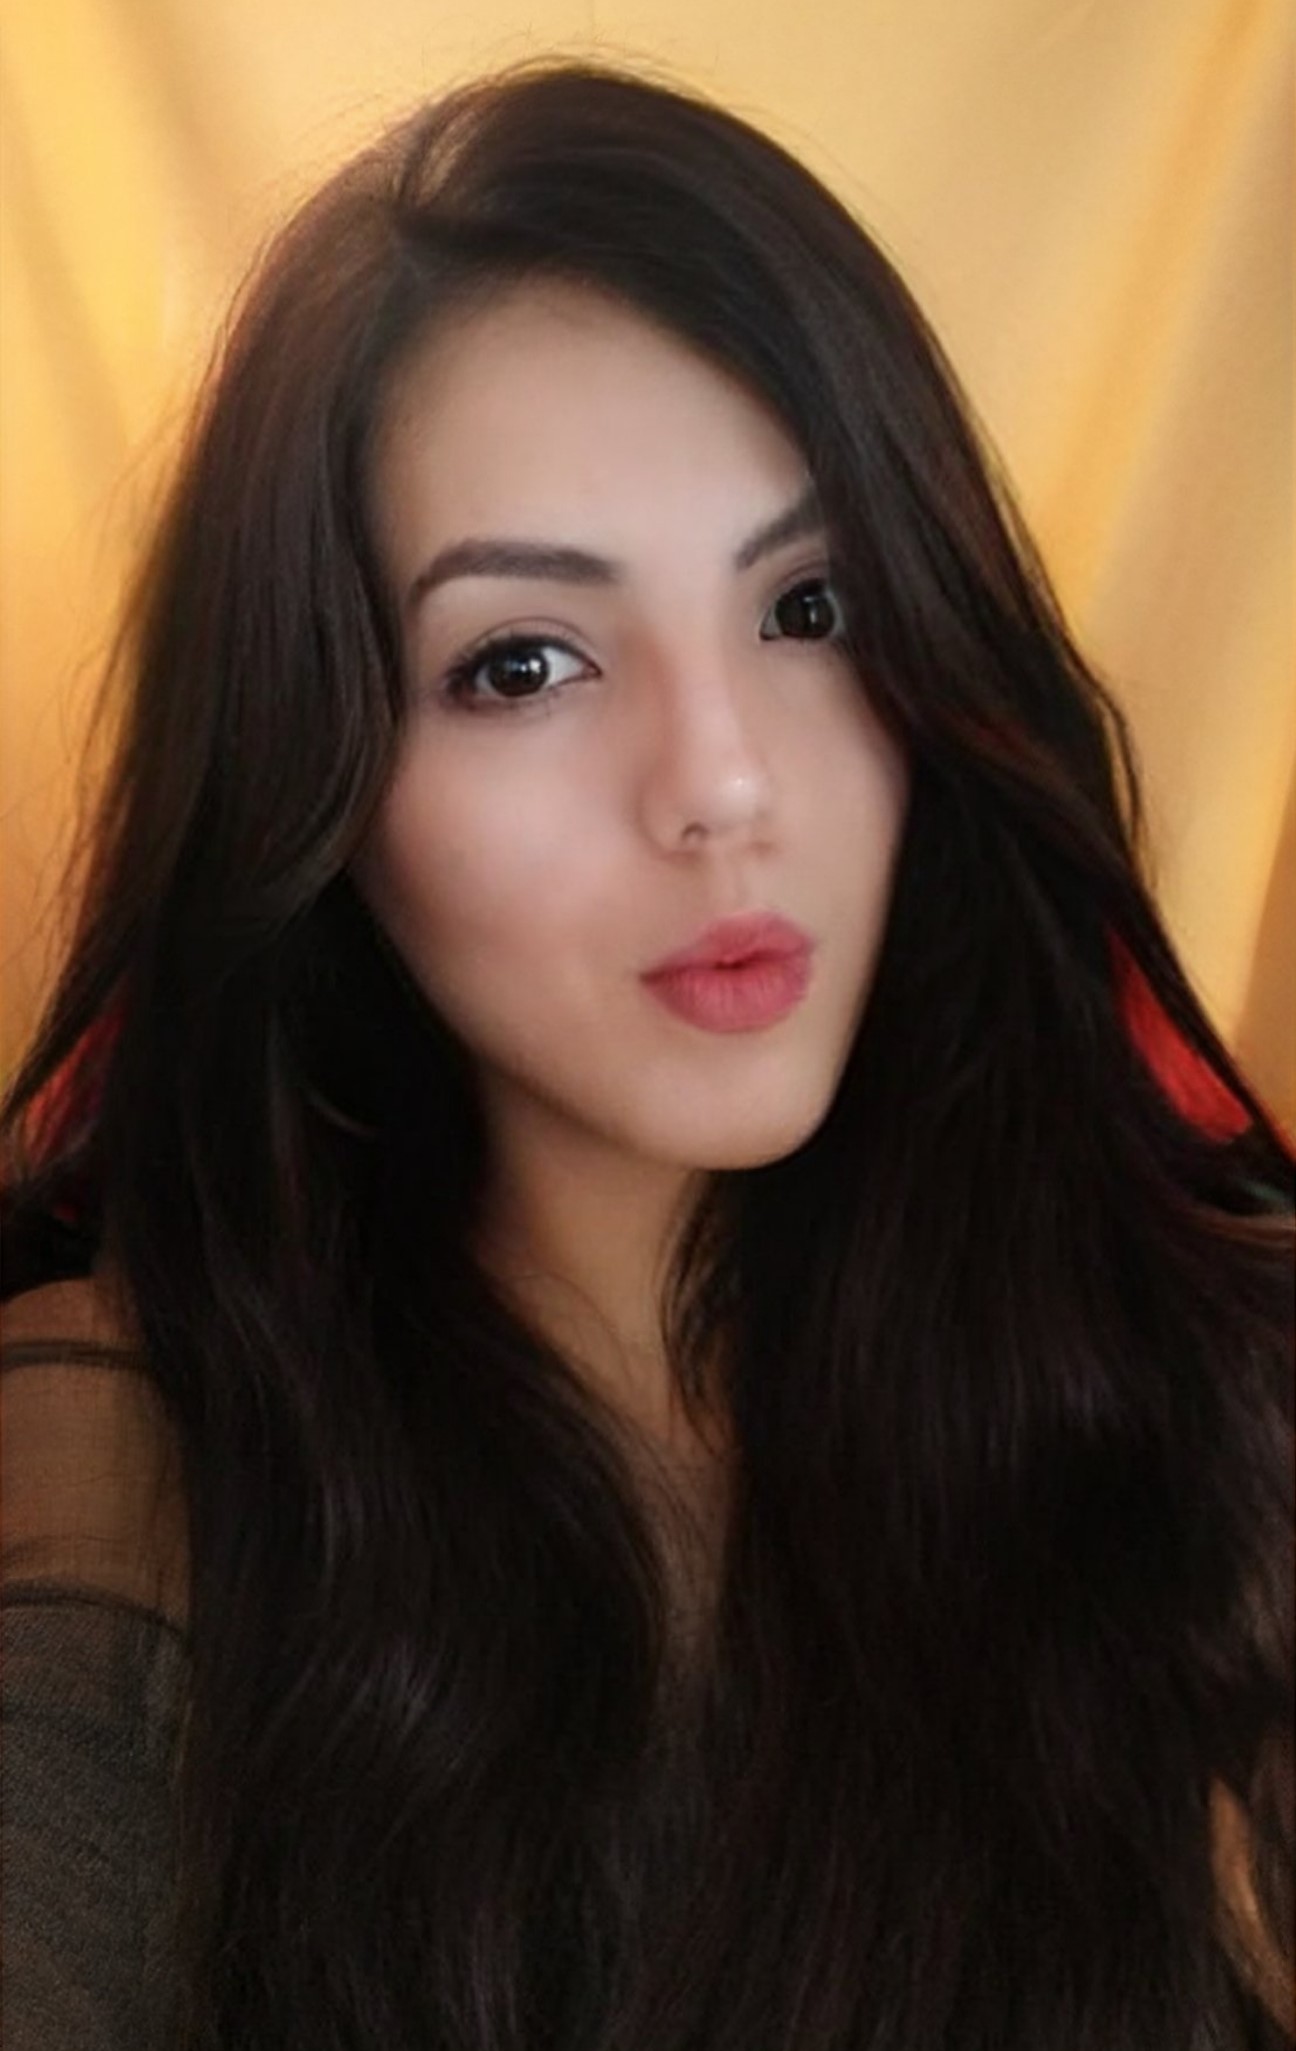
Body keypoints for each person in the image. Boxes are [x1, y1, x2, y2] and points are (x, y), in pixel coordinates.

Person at [0, 57, 1291, 2051]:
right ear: (316, 780)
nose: (723, 783)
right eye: (523, 662)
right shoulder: (140, 1442)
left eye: (813, 604)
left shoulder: (1224, 1381)